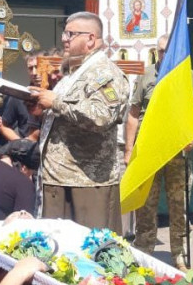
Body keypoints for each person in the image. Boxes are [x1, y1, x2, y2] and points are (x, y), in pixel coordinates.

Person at [30, 12, 129, 231]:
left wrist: (56, 102)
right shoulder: (75, 73)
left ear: (91, 39)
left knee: (88, 256)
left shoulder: (104, 74)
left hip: (86, 183)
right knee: (58, 252)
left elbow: (102, 116)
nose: (64, 38)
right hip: (60, 177)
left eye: (71, 34)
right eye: (65, 33)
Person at [124, 34, 193, 270]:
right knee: (146, 206)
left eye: (168, 51)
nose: (164, 55)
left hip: (177, 153)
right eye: (160, 51)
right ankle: (143, 251)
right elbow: (133, 114)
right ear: (155, 52)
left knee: (179, 205)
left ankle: (179, 254)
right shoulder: (146, 76)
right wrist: (129, 150)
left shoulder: (189, 77)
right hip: (148, 151)